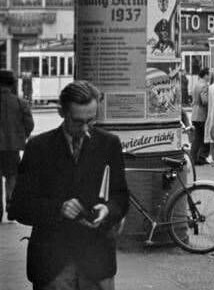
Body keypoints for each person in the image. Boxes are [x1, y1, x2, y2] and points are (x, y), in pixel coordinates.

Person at [10, 80, 128, 289]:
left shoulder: (109, 144)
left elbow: (121, 196)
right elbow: (19, 206)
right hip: (52, 266)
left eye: (90, 121)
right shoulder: (38, 147)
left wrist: (108, 210)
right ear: (61, 112)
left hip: (97, 263)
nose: (85, 129)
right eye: (77, 121)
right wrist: (58, 208)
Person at [0, 69, 34, 219]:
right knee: (12, 176)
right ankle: (11, 205)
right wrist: (22, 136)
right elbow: (29, 124)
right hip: (12, 148)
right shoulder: (20, 102)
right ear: (12, 84)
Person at [189, 68, 211, 165]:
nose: (210, 77)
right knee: (205, 136)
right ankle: (202, 157)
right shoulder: (204, 86)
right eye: (209, 75)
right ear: (205, 75)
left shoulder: (196, 84)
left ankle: (193, 157)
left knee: (197, 137)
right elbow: (204, 100)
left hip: (194, 113)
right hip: (202, 114)